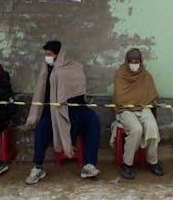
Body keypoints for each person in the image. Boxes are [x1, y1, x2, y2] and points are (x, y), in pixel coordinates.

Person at [23, 40, 101, 184]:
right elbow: (42, 94)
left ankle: (89, 164)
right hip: (54, 112)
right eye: (46, 54)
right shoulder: (45, 71)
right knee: (41, 128)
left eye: (50, 54)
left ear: (59, 55)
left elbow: (79, 87)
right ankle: (38, 167)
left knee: (93, 121)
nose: (47, 57)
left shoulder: (73, 67)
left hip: (77, 109)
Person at [113, 48, 164, 179]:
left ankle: (152, 161)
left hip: (142, 107)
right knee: (136, 129)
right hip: (125, 109)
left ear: (141, 62)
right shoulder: (121, 74)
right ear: (127, 61)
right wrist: (135, 101)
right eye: (131, 61)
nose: (134, 64)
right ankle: (127, 164)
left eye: (136, 61)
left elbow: (152, 96)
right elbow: (120, 98)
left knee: (152, 127)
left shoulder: (145, 75)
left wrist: (144, 102)